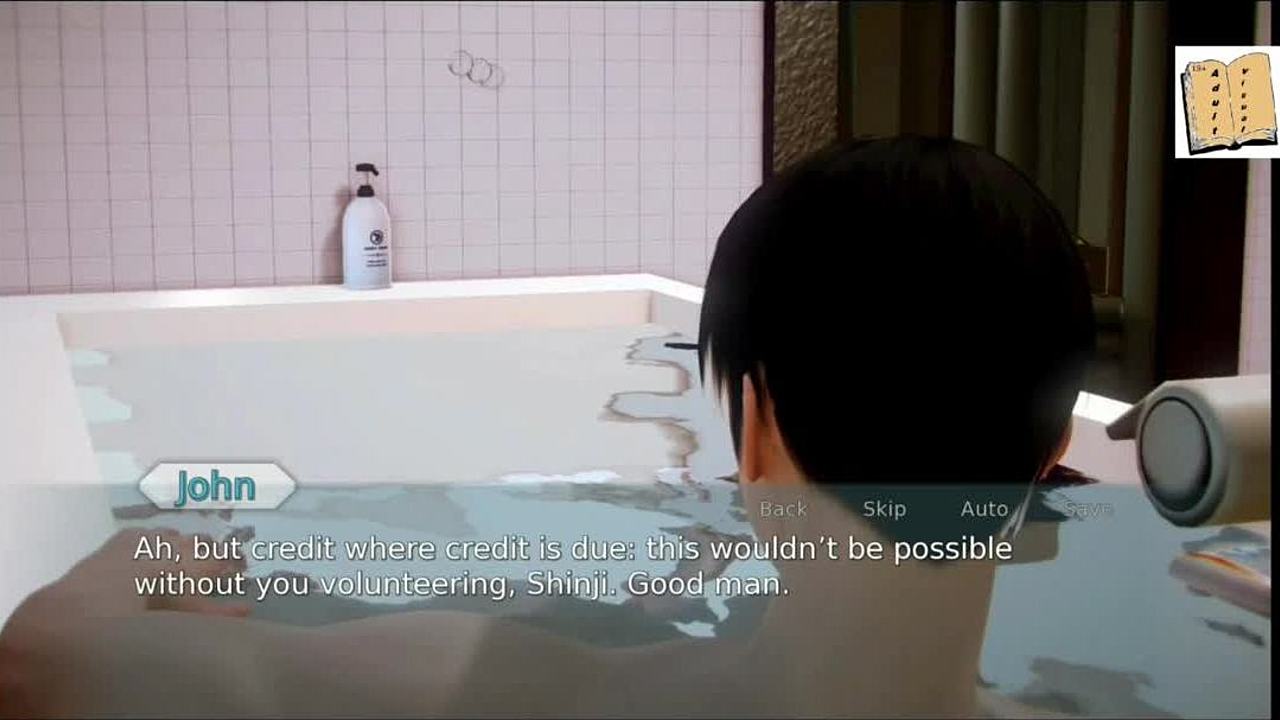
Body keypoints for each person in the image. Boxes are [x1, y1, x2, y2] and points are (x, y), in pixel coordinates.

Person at [0, 136, 1094, 718]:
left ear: (756, 436)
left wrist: (157, 556)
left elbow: (46, 659)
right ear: (1052, 455)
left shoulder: (526, 689)